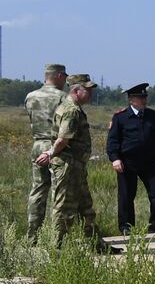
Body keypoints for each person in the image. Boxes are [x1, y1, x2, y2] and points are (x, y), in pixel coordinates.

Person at [34, 74, 119, 252]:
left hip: (75, 166)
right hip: (67, 165)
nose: (90, 93)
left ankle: (96, 245)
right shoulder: (71, 110)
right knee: (63, 206)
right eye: (87, 90)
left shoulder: (72, 108)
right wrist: (50, 153)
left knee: (85, 206)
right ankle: (55, 248)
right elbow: (63, 139)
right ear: (76, 90)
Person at [106, 83, 155, 233]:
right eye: (140, 98)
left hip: (148, 161)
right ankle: (126, 226)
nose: (143, 100)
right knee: (127, 195)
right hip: (127, 162)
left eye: (145, 97)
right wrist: (115, 158)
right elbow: (112, 141)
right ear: (131, 100)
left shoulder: (153, 116)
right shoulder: (120, 118)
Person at [23, 63, 67, 240]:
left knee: (38, 190)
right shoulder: (63, 97)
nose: (65, 80)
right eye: (64, 76)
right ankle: (55, 236)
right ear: (58, 76)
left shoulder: (30, 96)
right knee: (59, 192)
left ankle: (32, 234)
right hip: (55, 147)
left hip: (37, 144)